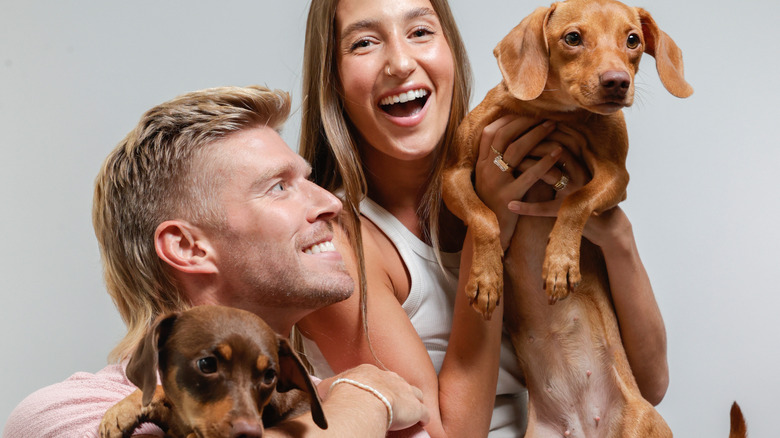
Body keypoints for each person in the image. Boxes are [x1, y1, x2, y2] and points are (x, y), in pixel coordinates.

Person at [295, 0, 669, 437]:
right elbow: (449, 435)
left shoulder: (539, 162)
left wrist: (616, 235)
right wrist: (489, 223)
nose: (399, 62)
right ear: (332, 76)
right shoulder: (332, 246)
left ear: (451, 49)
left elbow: (651, 385)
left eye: (420, 32)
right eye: (364, 42)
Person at [3, 85, 430, 438]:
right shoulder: (64, 415)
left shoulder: (340, 404)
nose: (329, 203)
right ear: (187, 247)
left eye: (309, 180)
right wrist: (367, 394)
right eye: (279, 187)